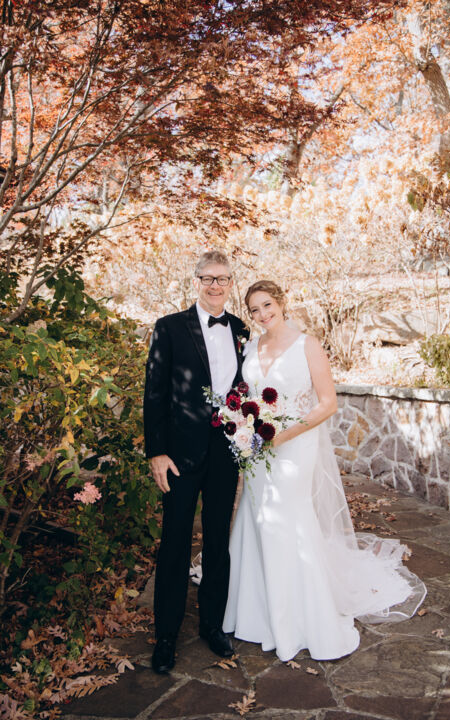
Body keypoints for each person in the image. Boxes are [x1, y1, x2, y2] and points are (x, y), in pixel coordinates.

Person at [223, 280, 426, 662]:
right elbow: (246, 396)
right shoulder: (250, 346)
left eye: (267, 305)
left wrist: (281, 435)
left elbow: (327, 403)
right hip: (258, 449)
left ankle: (300, 618)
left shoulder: (307, 345)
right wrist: (244, 426)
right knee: (256, 517)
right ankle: (255, 614)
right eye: (254, 310)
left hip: (294, 447)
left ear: (281, 302)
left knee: (289, 520)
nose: (262, 314)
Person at [143, 250, 249, 674]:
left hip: (226, 451)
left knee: (218, 540)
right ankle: (166, 636)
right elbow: (154, 392)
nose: (215, 285)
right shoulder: (169, 327)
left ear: (231, 283)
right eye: (207, 278)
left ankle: (212, 626)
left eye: (222, 279)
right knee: (175, 542)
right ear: (196, 281)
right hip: (179, 455)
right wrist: (156, 452)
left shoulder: (241, 329)